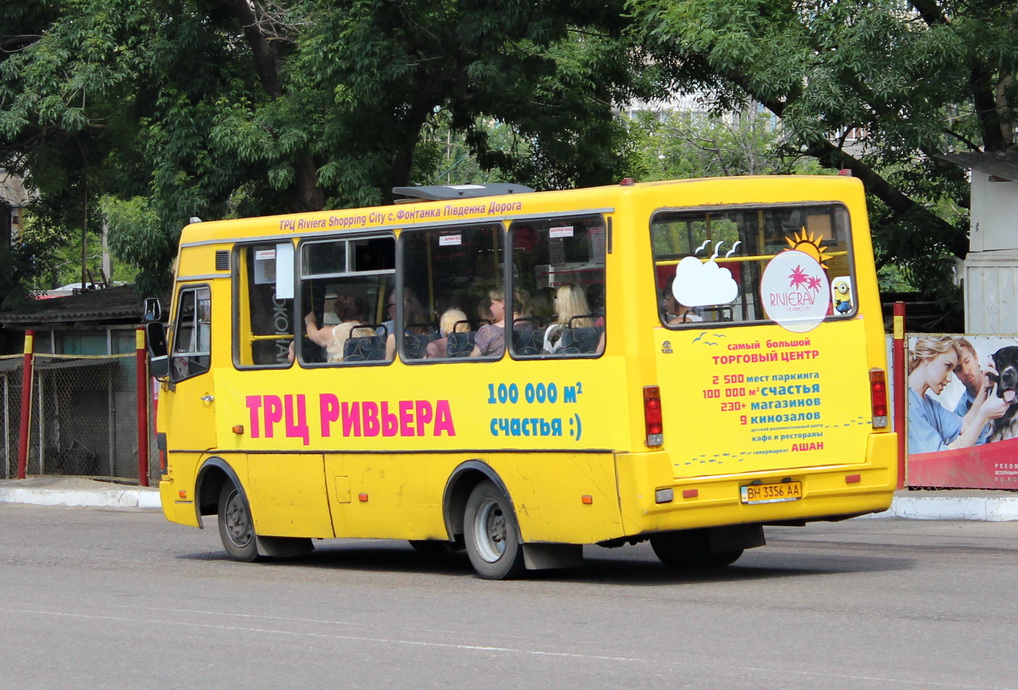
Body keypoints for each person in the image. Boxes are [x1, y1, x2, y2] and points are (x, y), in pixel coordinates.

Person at [907, 336, 1005, 454]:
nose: (949, 379)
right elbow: (942, 457)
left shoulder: (929, 403)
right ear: (927, 358)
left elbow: (965, 425)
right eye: (947, 366)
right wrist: (984, 415)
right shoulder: (909, 404)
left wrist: (985, 387)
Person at [304, 294, 370, 362]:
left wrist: (310, 322)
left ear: (339, 314)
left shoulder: (334, 332)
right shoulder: (372, 332)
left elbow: (313, 335)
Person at [470, 287, 527, 358]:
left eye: (492, 303)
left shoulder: (488, 331)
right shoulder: (531, 326)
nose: (490, 308)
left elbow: (472, 360)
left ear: (503, 303)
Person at [542, 283, 594, 354]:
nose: (555, 301)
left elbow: (546, 359)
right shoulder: (594, 328)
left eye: (556, 298)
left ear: (562, 304)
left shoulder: (554, 331)